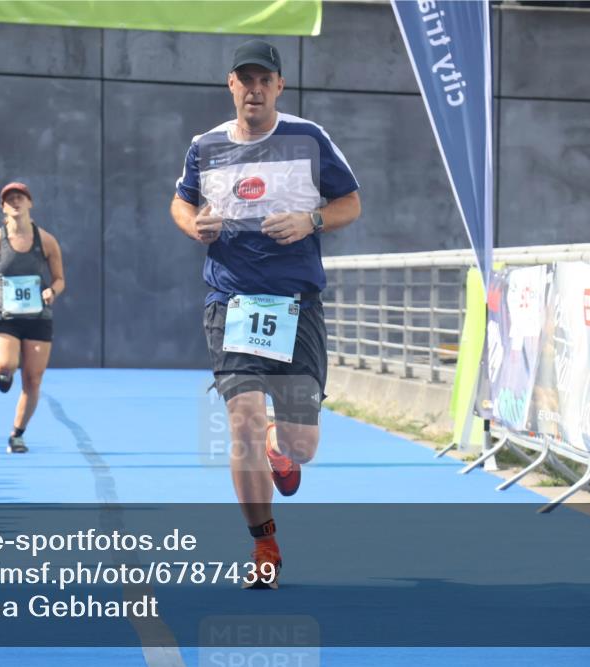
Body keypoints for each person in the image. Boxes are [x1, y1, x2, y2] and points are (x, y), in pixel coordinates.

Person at [170, 40, 361, 588]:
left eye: (264, 80)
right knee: (243, 422)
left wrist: (311, 221)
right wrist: (193, 225)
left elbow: (351, 202)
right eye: (244, 79)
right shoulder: (205, 146)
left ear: (279, 86)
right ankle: (265, 545)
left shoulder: (308, 138)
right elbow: (180, 202)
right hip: (231, 303)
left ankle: (284, 446)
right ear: (230, 85)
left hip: (296, 306)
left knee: (302, 444)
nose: (254, 89)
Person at [0, 182, 65, 454]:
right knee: (5, 364)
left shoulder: (45, 240)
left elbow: (60, 279)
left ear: (29, 204)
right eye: (9, 199)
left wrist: (52, 291)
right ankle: (1, 370)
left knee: (33, 380)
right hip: (6, 317)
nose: (15, 202)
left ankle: (17, 434)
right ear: (3, 207)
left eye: (20, 198)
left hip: (38, 317)